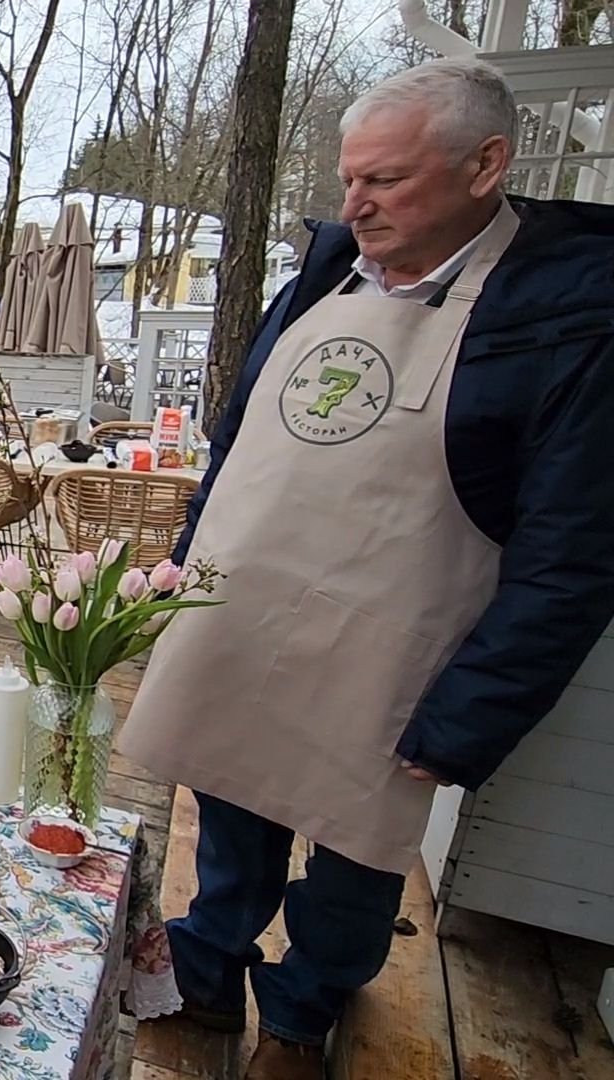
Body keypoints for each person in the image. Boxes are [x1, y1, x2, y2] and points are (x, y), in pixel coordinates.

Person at [119, 58, 614, 1079]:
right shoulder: (324, 272)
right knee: (228, 795)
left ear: (486, 164)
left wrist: (475, 712)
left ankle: (304, 1012)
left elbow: (574, 551)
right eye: (351, 178)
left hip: (390, 644)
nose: (356, 201)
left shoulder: (562, 317)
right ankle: (207, 972)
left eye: (385, 180)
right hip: (243, 617)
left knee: (353, 849)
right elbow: (240, 443)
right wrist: (182, 558)